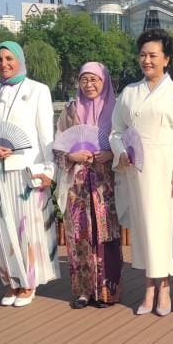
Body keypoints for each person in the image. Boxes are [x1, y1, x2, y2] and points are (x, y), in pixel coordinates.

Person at [110, 28, 173, 316]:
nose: (147, 60)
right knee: (144, 227)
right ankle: (148, 286)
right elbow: (116, 131)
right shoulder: (129, 93)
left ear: (166, 59)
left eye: (153, 55)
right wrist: (120, 149)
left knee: (165, 227)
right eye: (143, 55)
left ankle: (165, 287)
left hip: (166, 167)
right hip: (137, 168)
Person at [0, 41, 58, 307]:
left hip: (25, 171)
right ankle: (11, 280)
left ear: (20, 59)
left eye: (9, 58)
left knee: (26, 227)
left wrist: (49, 169)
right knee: (1, 228)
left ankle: (28, 282)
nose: (4, 64)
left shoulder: (38, 90)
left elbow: (46, 135)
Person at [55, 61, 123, 309]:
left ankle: (107, 291)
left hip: (107, 184)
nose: (89, 84)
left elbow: (126, 143)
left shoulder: (116, 110)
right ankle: (83, 291)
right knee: (79, 234)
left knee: (107, 236)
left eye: (94, 79)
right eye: (84, 79)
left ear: (105, 82)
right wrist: (71, 156)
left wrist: (111, 154)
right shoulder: (70, 110)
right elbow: (57, 146)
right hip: (78, 185)